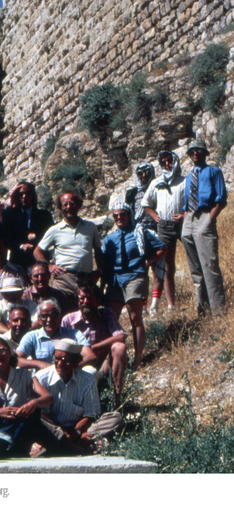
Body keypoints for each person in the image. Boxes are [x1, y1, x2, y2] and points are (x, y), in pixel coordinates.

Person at [33, 340, 123, 455]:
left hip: (77, 430)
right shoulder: (41, 378)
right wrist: (61, 433)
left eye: (65, 360)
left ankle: (63, 444)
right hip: (51, 429)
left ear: (75, 362)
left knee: (115, 418)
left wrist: (75, 432)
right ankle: (74, 444)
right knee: (36, 414)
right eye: (57, 359)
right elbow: (42, 415)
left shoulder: (87, 380)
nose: (59, 364)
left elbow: (90, 415)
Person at [0, 335, 53, 457]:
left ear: (10, 352)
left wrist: (33, 402)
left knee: (34, 413)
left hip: (19, 423)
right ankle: (15, 446)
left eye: (2, 349)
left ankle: (6, 446)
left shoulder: (25, 375)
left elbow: (48, 397)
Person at [103, 203, 164, 370]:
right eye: (115, 216)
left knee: (135, 317)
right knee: (111, 318)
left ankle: (137, 360)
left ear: (129, 215)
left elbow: (161, 248)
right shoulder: (110, 238)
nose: (119, 218)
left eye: (122, 214)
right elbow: (105, 260)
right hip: (116, 280)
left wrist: (148, 262)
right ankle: (112, 359)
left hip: (135, 275)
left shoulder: (140, 232)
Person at [180, 139, 227, 316]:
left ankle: (218, 311)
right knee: (195, 269)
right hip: (189, 220)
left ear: (205, 153)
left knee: (209, 265)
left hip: (205, 215)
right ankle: (202, 309)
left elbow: (221, 199)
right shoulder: (188, 178)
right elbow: (186, 202)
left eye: (199, 150)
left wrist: (210, 218)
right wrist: (186, 219)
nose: (195, 153)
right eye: (192, 151)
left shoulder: (214, 172)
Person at [63, 284, 127, 399]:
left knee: (119, 347)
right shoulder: (68, 320)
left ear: (97, 300)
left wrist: (93, 347)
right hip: (79, 365)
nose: (86, 301)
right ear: (77, 300)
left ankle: (117, 395)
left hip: (103, 365)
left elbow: (121, 336)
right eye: (82, 298)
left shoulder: (106, 314)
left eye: (90, 298)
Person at [34, 191, 104, 294]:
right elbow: (37, 251)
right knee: (61, 304)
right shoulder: (55, 230)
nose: (68, 207)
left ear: (78, 205)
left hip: (86, 279)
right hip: (63, 280)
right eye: (65, 204)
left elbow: (98, 251)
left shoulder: (90, 227)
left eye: (72, 203)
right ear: (60, 207)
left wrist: (100, 271)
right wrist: (49, 266)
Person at [142, 150, 185, 312]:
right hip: (164, 227)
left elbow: (192, 202)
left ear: (176, 161)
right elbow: (146, 203)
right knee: (167, 266)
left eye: (170, 160)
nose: (167, 164)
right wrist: (155, 216)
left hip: (183, 225)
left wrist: (183, 215)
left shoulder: (184, 181)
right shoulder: (156, 182)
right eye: (163, 162)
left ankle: (203, 300)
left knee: (195, 258)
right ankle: (171, 306)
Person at [16, 299, 96, 370]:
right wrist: (40, 364)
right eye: (44, 316)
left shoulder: (74, 334)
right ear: (39, 320)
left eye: (53, 315)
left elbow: (91, 356)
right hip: (43, 378)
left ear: (59, 317)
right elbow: (17, 360)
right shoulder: (32, 336)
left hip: (69, 376)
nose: (49, 320)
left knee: (90, 370)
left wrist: (70, 367)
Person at [1, 181, 54, 268]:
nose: (24, 196)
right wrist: (21, 245)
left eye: (28, 193)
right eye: (21, 194)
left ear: (33, 195)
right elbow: (6, 238)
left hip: (39, 260)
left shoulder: (44, 216)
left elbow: (50, 236)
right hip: (17, 261)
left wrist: (36, 236)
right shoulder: (9, 215)